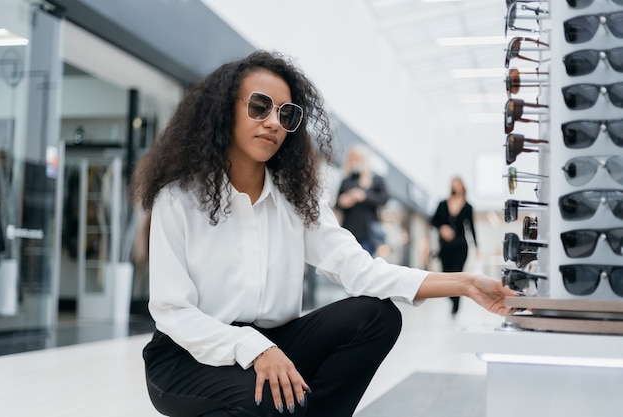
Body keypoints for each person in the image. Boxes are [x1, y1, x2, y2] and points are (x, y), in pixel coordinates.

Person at [131, 50, 515, 417]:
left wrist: (464, 283)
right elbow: (172, 311)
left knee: (376, 316)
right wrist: (252, 347)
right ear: (224, 109)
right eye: (259, 106)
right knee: (268, 402)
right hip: (186, 354)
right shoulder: (179, 199)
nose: (273, 123)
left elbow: (362, 271)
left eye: (287, 114)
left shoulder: (295, 203)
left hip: (275, 343)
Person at [431, 176, 479, 319]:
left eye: (457, 184)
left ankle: (456, 305)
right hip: (445, 247)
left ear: (462, 187)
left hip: (460, 246)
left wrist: (477, 247)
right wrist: (442, 229)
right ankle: (451, 297)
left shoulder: (468, 207)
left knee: (457, 274)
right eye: (452, 184)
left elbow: (472, 228)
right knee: (445, 274)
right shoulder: (442, 204)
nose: (454, 187)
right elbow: (433, 220)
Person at [336, 145, 388, 256]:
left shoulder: (375, 179)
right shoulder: (346, 181)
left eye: (356, 158)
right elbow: (338, 204)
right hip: (348, 232)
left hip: (367, 234)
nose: (353, 162)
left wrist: (364, 196)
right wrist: (343, 202)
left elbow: (384, 198)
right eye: (351, 158)